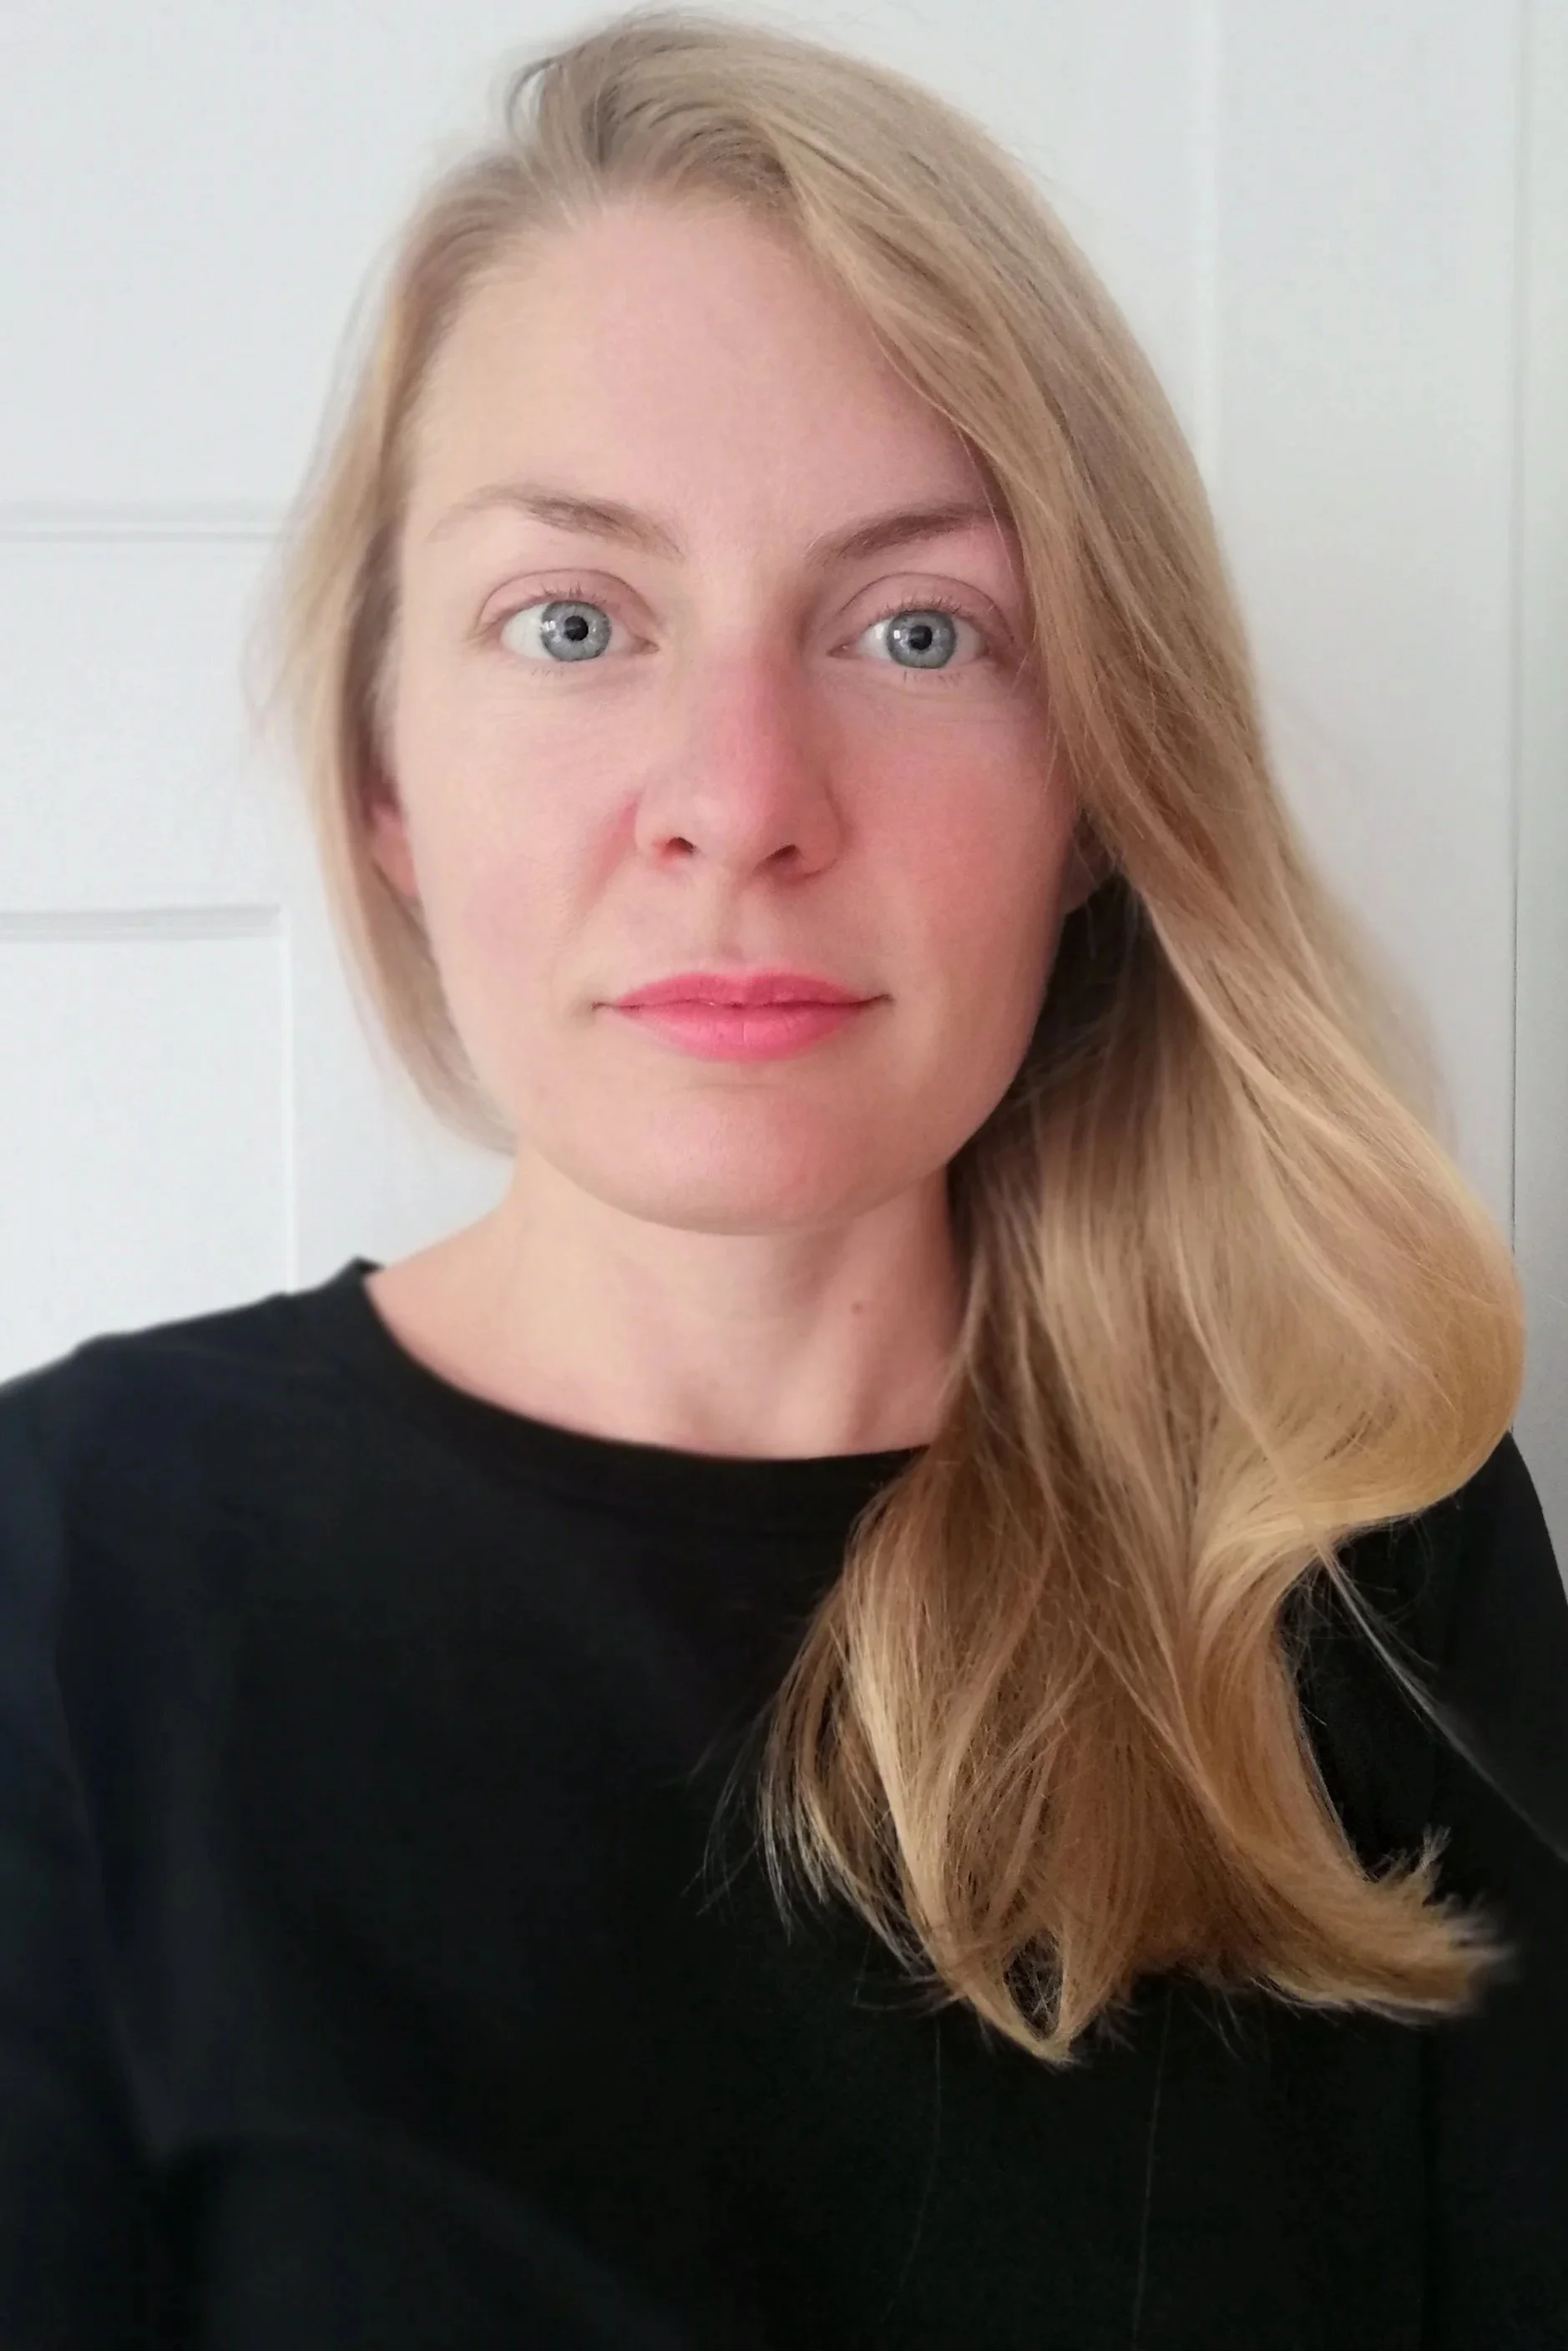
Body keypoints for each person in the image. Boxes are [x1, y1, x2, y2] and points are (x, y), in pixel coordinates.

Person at [3, 7, 1565, 2344]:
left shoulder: (1350, 1536)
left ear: (1097, 789)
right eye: (572, 621)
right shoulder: (68, 1568)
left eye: (917, 630)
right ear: (385, 777)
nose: (739, 799)